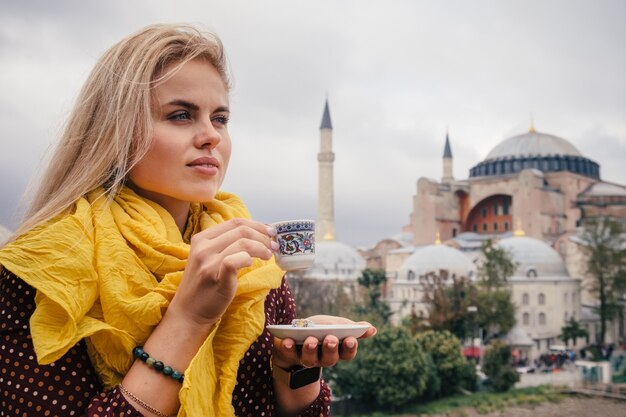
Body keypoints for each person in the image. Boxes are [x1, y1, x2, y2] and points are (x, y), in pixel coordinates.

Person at [0, 24, 376, 417]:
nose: (210, 135)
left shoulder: (253, 265)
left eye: (220, 118)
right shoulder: (47, 269)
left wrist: (295, 367)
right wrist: (190, 317)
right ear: (116, 131)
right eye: (181, 115)